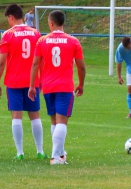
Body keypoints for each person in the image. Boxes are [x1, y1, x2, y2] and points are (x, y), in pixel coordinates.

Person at [28, 10, 86, 165]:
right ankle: (55, 157)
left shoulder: (42, 41)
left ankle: (60, 153)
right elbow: (81, 67)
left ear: (51, 23)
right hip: (65, 86)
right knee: (61, 122)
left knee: (54, 121)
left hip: (48, 86)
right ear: (63, 23)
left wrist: (32, 85)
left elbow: (35, 64)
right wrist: (81, 83)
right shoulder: (73, 41)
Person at [0, 4, 46, 160]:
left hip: (14, 81)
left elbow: (2, 62)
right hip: (32, 81)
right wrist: (41, 78)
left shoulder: (8, 35)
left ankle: (20, 152)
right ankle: (40, 151)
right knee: (34, 115)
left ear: (11, 17)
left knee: (16, 116)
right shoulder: (35, 33)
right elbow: (41, 59)